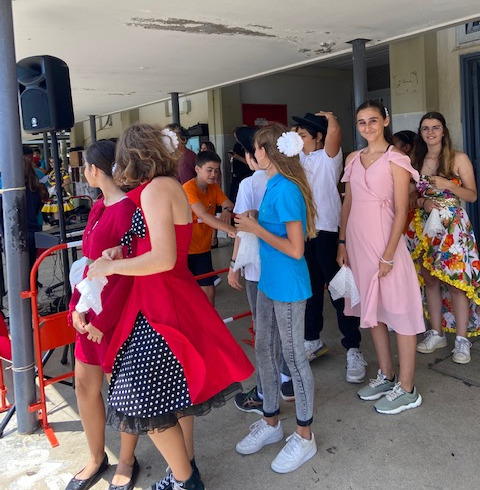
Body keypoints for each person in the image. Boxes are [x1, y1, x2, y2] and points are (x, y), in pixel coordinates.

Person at [87, 123, 253, 490]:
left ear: (133, 156)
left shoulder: (157, 189)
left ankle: (185, 479)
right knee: (173, 394)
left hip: (159, 305)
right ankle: (184, 472)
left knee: (143, 399)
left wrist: (111, 266)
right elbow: (158, 246)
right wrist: (122, 251)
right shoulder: (165, 186)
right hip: (162, 301)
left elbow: (163, 258)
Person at [234, 123, 317, 473]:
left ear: (266, 152)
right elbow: (275, 229)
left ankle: (305, 435)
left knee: (294, 357)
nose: (252, 153)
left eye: (255, 148)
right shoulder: (273, 184)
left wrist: (256, 228)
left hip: (289, 286)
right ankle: (270, 421)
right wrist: (257, 219)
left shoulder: (286, 189)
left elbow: (296, 249)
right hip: (270, 282)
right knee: (264, 349)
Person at [337, 100, 425, 414]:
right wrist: (342, 241)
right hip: (358, 243)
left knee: (400, 310)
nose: (367, 127)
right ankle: (387, 375)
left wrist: (388, 255)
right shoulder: (352, 158)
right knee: (372, 309)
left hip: (387, 244)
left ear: (385, 120)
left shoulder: (396, 158)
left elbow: (401, 210)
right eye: (362, 122)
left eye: (373, 120)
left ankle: (408, 387)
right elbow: (347, 203)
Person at [66, 140, 139, 490]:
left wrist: (102, 321)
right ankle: (97, 456)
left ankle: (127, 459)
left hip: (113, 318)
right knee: (84, 385)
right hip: (89, 312)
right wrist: (75, 308)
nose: (84, 172)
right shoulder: (98, 206)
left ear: (95, 169)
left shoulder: (127, 210)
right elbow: (87, 264)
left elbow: (128, 276)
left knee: (121, 391)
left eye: (85, 166)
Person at [292, 112, 365, 384]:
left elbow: (335, 133)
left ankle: (353, 348)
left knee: (339, 292)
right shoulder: (296, 160)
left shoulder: (328, 157)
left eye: (303, 135)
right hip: (304, 233)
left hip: (327, 233)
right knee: (310, 291)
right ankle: (312, 340)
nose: (298, 139)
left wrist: (330, 117)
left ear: (318, 137)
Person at [405, 111, 480, 363]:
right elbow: (409, 195)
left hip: (453, 227)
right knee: (430, 280)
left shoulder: (458, 158)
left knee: (456, 282)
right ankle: (436, 333)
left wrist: (449, 185)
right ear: (421, 133)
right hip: (424, 227)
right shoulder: (416, 160)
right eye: (425, 128)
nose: (430, 132)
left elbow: (472, 195)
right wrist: (422, 201)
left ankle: (462, 340)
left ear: (443, 130)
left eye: (435, 127)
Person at [228, 126, 269, 414]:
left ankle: (264, 393)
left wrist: (233, 266)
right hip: (283, 265)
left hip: (257, 269)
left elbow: (242, 229)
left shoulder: (249, 184)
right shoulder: (288, 180)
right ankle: (287, 383)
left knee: (262, 333)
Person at [183, 150, 236, 305]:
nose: (214, 174)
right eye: (209, 170)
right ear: (197, 169)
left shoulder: (213, 187)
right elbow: (203, 215)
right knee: (187, 296)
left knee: (209, 292)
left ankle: (210, 321)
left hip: (203, 249)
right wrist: (230, 229)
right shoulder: (188, 188)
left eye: (217, 171)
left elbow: (228, 204)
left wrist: (226, 211)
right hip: (185, 250)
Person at [23, 156, 48, 270]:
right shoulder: (36, 191)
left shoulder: (11, 193)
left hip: (17, 233)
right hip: (34, 229)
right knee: (32, 266)